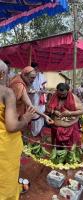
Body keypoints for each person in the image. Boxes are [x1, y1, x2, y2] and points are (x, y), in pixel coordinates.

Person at [0, 60, 36, 200]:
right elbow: (11, 126)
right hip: (4, 142)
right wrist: (27, 117)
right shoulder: (7, 92)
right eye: (31, 77)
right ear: (2, 74)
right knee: (5, 174)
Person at [47, 83, 83, 147]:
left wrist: (70, 113)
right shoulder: (54, 96)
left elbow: (82, 110)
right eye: (59, 94)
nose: (61, 96)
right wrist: (54, 111)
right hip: (56, 126)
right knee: (57, 148)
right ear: (57, 91)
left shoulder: (74, 98)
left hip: (70, 127)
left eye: (63, 94)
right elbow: (48, 108)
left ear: (68, 91)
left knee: (70, 148)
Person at [30, 62, 47, 136]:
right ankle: (34, 131)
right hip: (32, 98)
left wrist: (43, 90)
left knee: (42, 113)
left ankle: (40, 131)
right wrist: (31, 91)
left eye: (37, 68)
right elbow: (28, 87)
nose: (36, 70)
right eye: (34, 68)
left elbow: (43, 86)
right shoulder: (29, 76)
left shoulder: (41, 75)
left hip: (40, 98)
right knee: (34, 113)